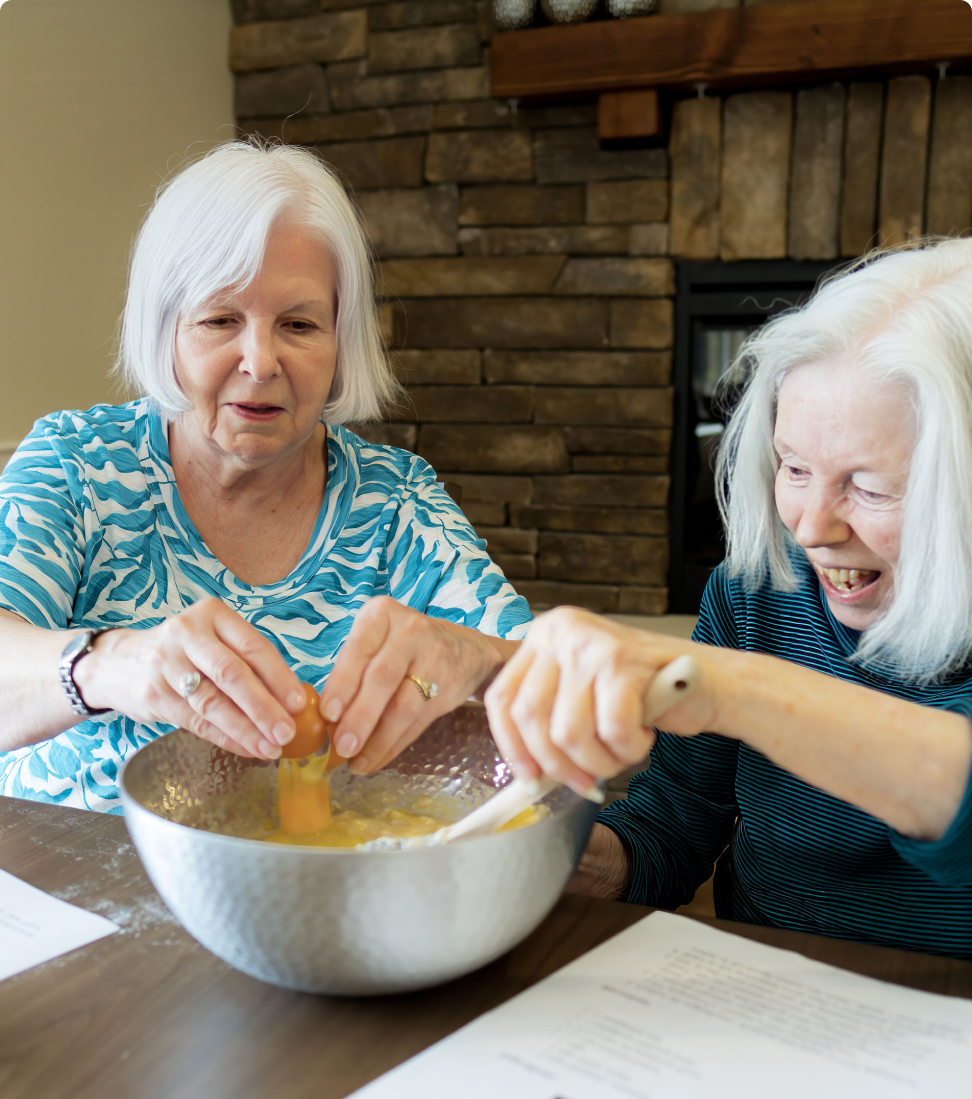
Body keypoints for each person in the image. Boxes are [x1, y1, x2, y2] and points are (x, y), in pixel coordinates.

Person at [0, 140, 529, 812]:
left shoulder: (394, 501)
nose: (260, 361)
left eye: (299, 324)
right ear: (165, 330)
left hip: (314, 885)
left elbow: (553, 679)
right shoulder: (76, 464)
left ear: (341, 345)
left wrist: (480, 661)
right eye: (221, 319)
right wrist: (109, 664)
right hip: (70, 892)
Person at [486, 240, 972, 960]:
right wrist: (563, 856)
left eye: (870, 488)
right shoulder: (754, 593)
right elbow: (678, 818)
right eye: (795, 468)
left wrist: (722, 688)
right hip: (763, 986)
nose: (810, 529)